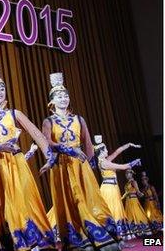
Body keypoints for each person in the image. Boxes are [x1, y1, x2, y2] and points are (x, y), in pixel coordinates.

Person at [0, 62, 56, 250]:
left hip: (16, 163)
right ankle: (10, 241)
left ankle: (31, 241)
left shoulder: (15, 113)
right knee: (2, 204)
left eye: (2, 88)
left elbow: (37, 135)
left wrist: (49, 157)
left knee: (23, 198)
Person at [41, 73, 121, 250]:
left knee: (90, 197)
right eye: (59, 96)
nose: (63, 98)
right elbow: (48, 142)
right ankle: (79, 239)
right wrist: (68, 149)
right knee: (71, 200)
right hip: (62, 165)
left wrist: (89, 163)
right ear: (52, 101)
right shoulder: (48, 121)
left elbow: (87, 143)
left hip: (81, 165)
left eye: (66, 95)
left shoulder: (78, 119)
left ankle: (103, 234)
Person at [94, 136, 142, 241]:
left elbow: (116, 152)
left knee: (116, 210)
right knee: (113, 211)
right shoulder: (105, 163)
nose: (107, 150)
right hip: (109, 189)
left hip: (112, 188)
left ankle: (118, 238)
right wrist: (134, 162)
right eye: (105, 149)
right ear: (101, 152)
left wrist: (128, 145)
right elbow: (123, 167)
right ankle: (116, 237)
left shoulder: (104, 160)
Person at [123, 169, 152, 236]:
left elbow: (137, 190)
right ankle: (135, 231)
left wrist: (139, 193)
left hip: (133, 200)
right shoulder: (127, 183)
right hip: (128, 202)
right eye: (126, 174)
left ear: (131, 174)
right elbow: (126, 193)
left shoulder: (133, 182)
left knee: (137, 214)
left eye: (128, 173)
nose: (127, 175)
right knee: (130, 215)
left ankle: (143, 230)